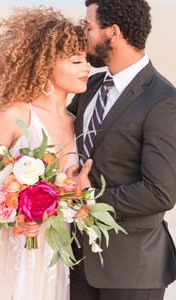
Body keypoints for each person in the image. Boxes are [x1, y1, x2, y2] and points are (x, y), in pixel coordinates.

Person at [0, 6, 92, 300]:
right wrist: (18, 212)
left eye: (86, 60)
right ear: (45, 64)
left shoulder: (78, 123)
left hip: (50, 254)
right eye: (76, 61)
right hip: (4, 252)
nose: (86, 68)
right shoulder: (13, 115)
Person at [67, 0, 176, 299]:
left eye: (88, 28)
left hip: (133, 270)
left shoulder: (163, 101)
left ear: (112, 32)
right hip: (76, 262)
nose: (83, 36)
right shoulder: (88, 88)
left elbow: (160, 192)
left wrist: (87, 198)